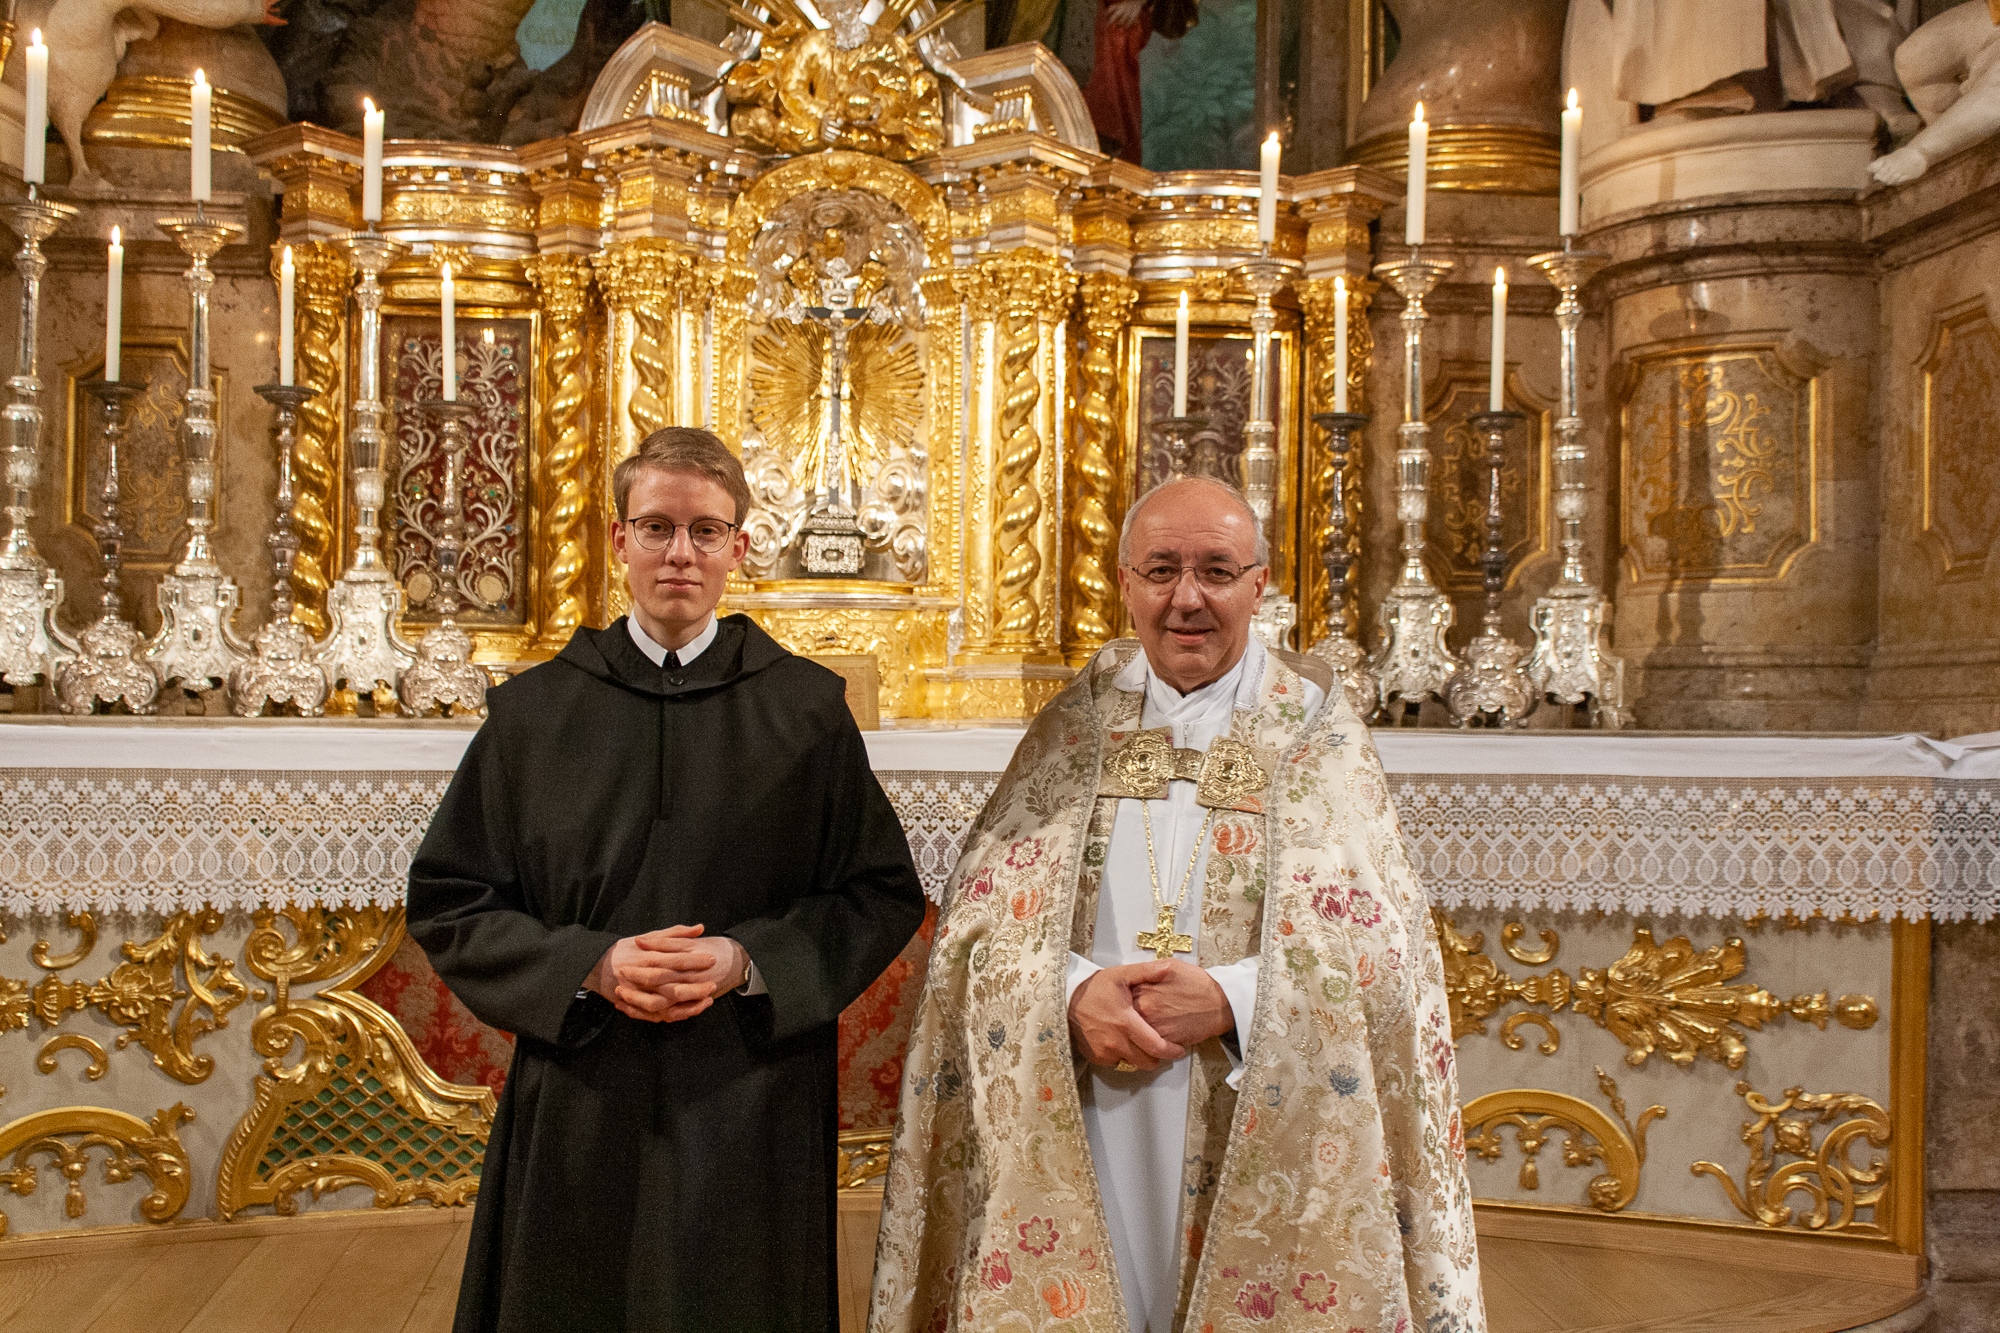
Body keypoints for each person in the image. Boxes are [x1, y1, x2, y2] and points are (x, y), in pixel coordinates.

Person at [869, 476, 1484, 1333]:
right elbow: (978, 929)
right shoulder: (1071, 732)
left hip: (1257, 1110)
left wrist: (1235, 997)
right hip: (1086, 1105)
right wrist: (1072, 990)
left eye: (1216, 570)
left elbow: (1388, 959)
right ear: (1124, 583)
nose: (1186, 598)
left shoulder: (1317, 738)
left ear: (1258, 584)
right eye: (1161, 570)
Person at [408, 426, 927, 1333]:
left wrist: (744, 959)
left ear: (740, 547)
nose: (679, 554)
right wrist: (589, 965)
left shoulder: (804, 708)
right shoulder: (535, 712)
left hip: (749, 1087)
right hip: (583, 1083)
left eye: (705, 532)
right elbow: (452, 898)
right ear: (619, 541)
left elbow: (877, 891)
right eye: (656, 527)